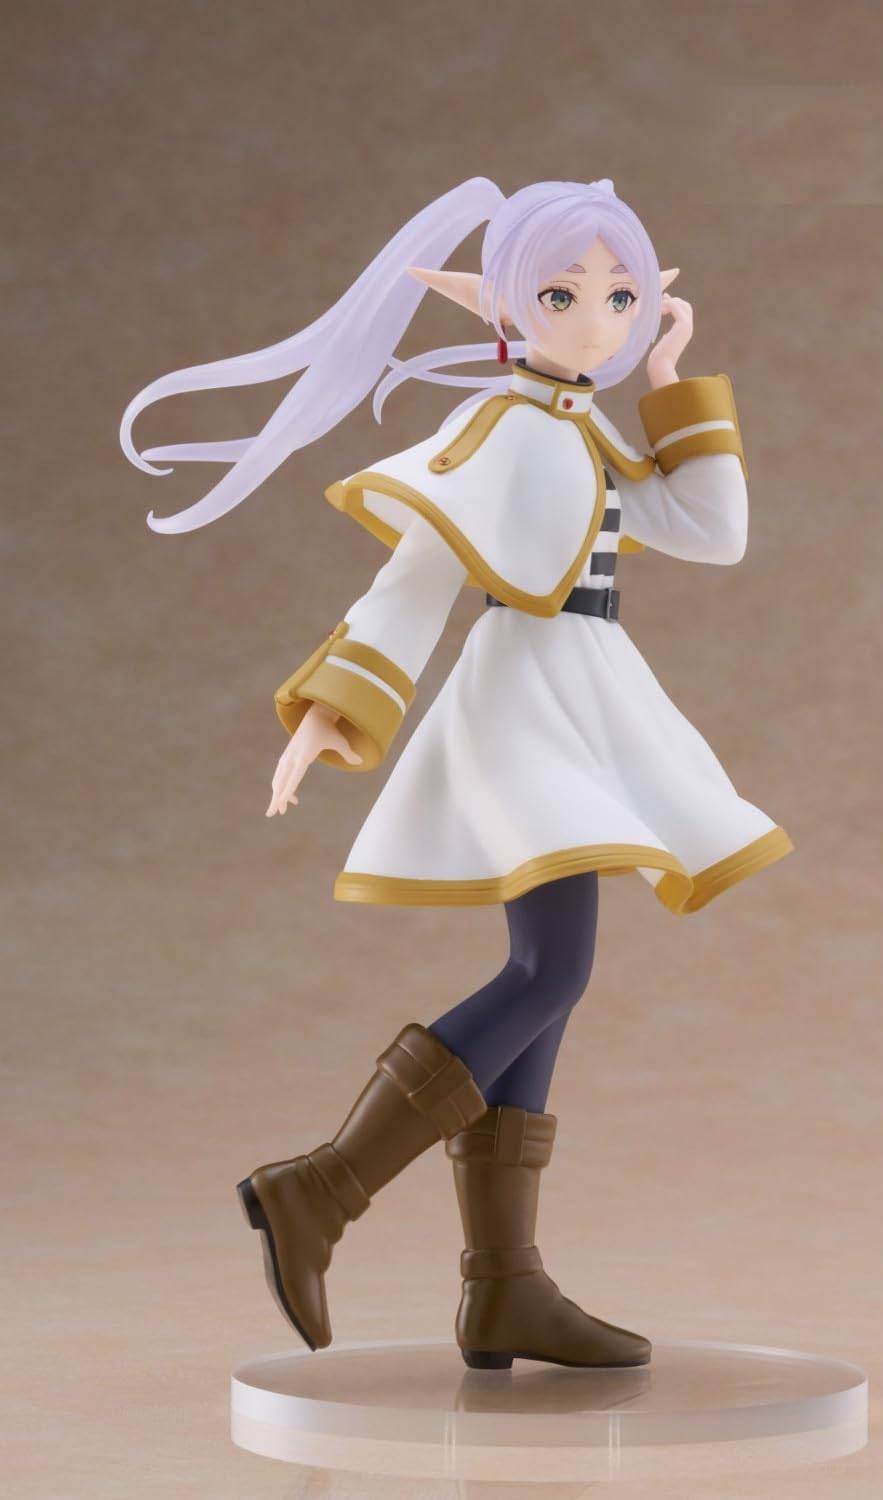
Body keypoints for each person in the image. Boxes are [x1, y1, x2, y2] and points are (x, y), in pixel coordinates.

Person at [121, 177, 792, 1370]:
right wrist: (328, 709)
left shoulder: (583, 425)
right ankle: (322, 1187)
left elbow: (711, 531)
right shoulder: (494, 428)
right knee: (551, 967)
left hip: (589, 696)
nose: (597, 318)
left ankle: (503, 1289)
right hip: (523, 703)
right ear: (498, 305)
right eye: (563, 294)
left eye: (622, 295)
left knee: (551, 979)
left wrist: (669, 381)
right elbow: (419, 576)